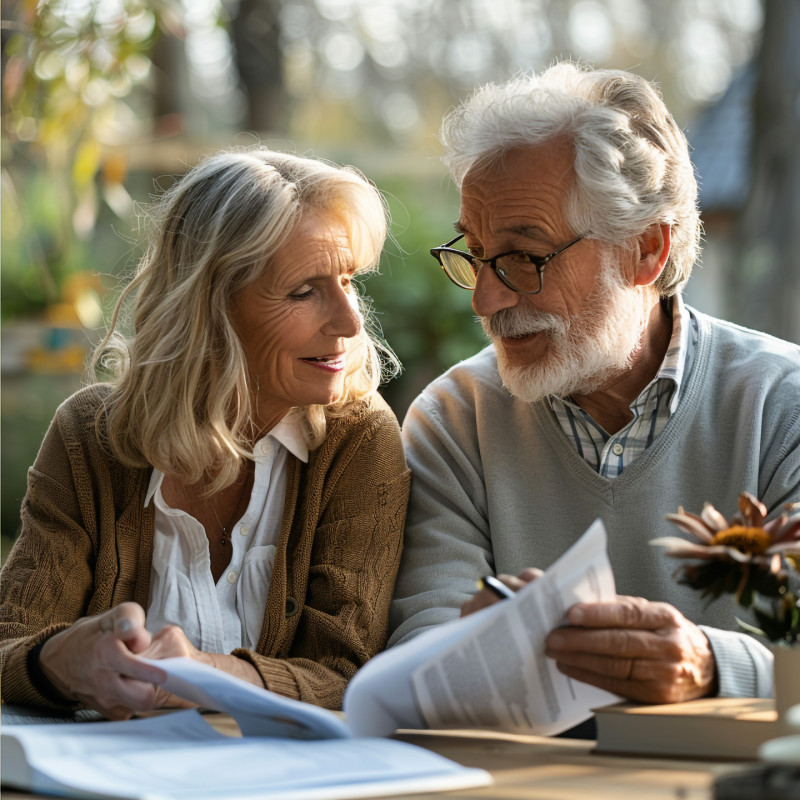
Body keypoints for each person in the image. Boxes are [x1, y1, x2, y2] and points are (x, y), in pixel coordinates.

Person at [389, 62, 800, 704]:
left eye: (525, 256)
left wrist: (711, 665)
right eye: (475, 254)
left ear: (646, 250)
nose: (486, 300)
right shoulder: (455, 421)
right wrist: (472, 650)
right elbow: (421, 652)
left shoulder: (783, 408)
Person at [0, 148, 410, 719]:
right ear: (208, 306)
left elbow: (351, 675)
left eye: (347, 281)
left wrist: (209, 675)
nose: (351, 321)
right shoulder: (89, 437)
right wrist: (57, 662)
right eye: (304, 291)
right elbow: (9, 646)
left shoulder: (357, 441)